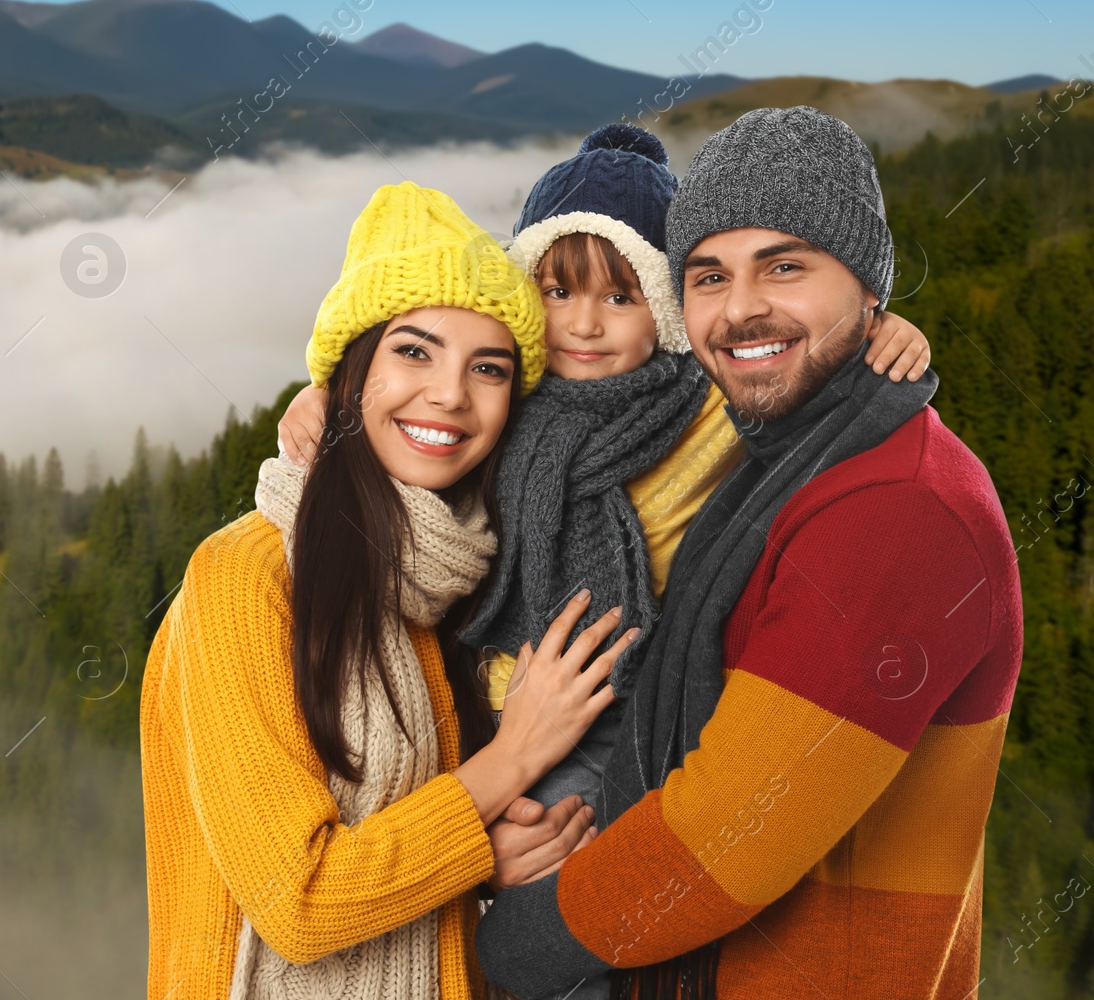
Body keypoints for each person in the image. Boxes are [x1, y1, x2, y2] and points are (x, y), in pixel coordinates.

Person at [280, 123, 932, 1000]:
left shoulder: (697, 405)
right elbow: (423, 426)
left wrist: (885, 334)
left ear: (663, 310)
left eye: (621, 297)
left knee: (573, 914)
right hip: (483, 705)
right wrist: (323, 391)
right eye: (556, 290)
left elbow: (782, 375)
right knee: (493, 889)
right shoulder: (509, 403)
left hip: (617, 708)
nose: (583, 323)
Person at [475, 107, 1023, 1000]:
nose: (739, 309)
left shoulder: (897, 508)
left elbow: (717, 839)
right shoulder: (789, 452)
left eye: (786, 265)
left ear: (870, 288)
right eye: (708, 275)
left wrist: (494, 942)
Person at [139, 181, 633, 1000]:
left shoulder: (453, 580)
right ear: (349, 372)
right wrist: (511, 762)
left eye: (489, 368)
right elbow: (297, 903)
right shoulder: (244, 575)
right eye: (414, 351)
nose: (449, 393)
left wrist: (867, 338)